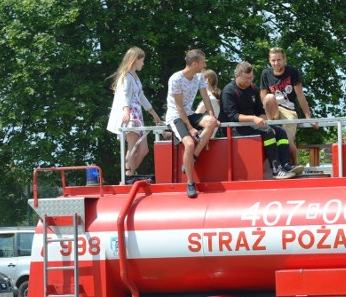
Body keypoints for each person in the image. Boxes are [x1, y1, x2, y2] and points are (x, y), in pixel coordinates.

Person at [220, 61, 301, 180]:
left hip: (252, 125)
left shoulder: (253, 88)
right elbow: (233, 116)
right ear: (236, 76)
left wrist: (264, 121)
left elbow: (259, 110)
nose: (249, 81)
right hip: (235, 128)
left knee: (281, 132)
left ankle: (285, 164)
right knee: (267, 132)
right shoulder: (228, 91)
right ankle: (276, 169)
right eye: (246, 78)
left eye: (251, 78)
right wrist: (254, 119)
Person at [165, 49, 220, 198]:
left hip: (188, 113)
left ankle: (194, 156)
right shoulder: (175, 79)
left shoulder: (200, 77)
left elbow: (206, 98)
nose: (205, 64)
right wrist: (190, 128)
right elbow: (178, 107)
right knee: (188, 143)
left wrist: (212, 117)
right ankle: (190, 183)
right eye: (203, 62)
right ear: (195, 63)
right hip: (176, 116)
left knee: (212, 122)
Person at [107, 46, 164, 176]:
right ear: (135, 60)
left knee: (144, 149)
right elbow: (124, 94)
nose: (143, 63)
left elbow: (141, 96)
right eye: (142, 60)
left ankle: (129, 174)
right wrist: (126, 111)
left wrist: (153, 113)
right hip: (131, 113)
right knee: (132, 146)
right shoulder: (126, 76)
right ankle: (128, 174)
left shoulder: (134, 76)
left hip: (137, 114)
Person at [259, 47, 317, 164]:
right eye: (273, 60)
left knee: (287, 141)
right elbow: (263, 97)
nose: (276, 63)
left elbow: (300, 95)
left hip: (289, 110)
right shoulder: (265, 74)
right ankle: (271, 126)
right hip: (273, 110)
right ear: (269, 61)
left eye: (279, 60)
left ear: (285, 59)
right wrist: (263, 117)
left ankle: (295, 165)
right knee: (270, 97)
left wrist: (308, 117)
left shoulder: (292, 71)